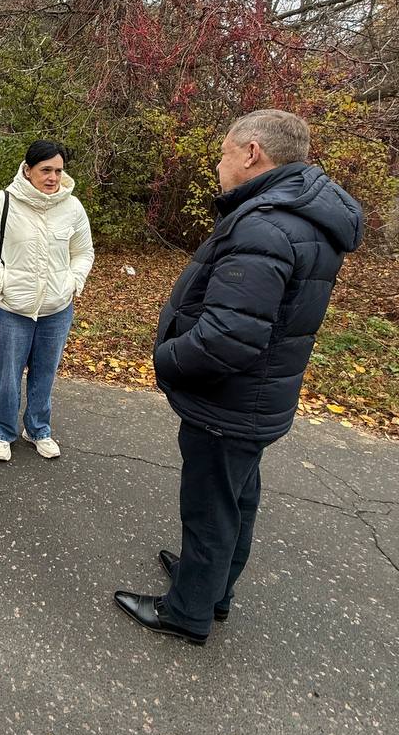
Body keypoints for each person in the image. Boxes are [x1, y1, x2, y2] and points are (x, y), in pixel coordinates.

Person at [114, 109, 363, 646]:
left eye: (225, 153)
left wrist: (166, 359)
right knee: (236, 497)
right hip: (257, 397)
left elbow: (230, 336)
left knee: (210, 505)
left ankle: (187, 612)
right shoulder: (300, 216)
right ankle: (211, 589)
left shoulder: (267, 225)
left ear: (252, 153)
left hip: (231, 399)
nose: (220, 165)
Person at [0, 141, 95, 462]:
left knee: (45, 372)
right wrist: (2, 282)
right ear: (28, 170)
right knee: (9, 372)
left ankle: (38, 428)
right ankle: (2, 429)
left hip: (56, 309)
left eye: (58, 170)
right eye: (45, 170)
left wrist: (73, 282)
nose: (53, 177)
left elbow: (84, 252)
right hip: (11, 308)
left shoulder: (72, 207)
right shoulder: (4, 202)